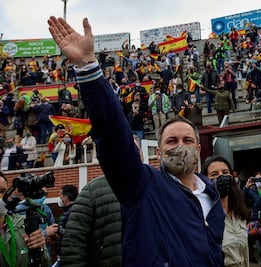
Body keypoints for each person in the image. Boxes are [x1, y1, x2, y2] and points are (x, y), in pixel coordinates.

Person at [48, 16, 225, 266]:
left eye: (187, 140)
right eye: (171, 140)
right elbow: (112, 135)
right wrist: (88, 67)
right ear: (159, 150)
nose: (180, 145)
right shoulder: (142, 185)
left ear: (198, 149)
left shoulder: (212, 192)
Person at [61, 136, 143, 266]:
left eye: (134, 149)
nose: (129, 154)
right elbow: (73, 247)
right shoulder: (91, 192)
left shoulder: (159, 187)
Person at [0, 169, 49, 266]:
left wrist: (40, 248)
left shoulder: (24, 224)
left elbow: (45, 263)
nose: (0, 197)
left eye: (3, 191)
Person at [202, 155, 250, 267]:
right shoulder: (205, 219)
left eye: (225, 172)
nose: (221, 177)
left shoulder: (239, 214)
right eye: (214, 174)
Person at [243, 172, 261, 266]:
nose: (258, 181)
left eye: (260, 179)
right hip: (256, 221)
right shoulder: (252, 190)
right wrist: (246, 187)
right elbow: (244, 201)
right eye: (256, 179)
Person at [51, 184, 78, 266]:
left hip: (68, 255)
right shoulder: (67, 212)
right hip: (64, 254)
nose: (60, 199)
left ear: (66, 197)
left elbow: (74, 234)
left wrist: (58, 230)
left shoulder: (73, 212)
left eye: (61, 196)